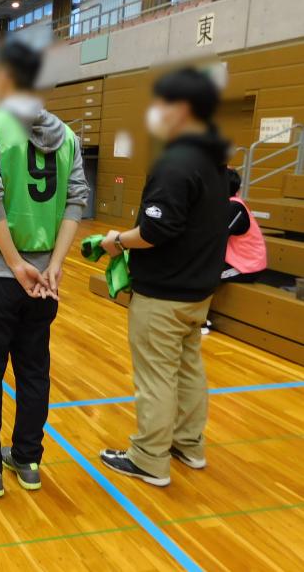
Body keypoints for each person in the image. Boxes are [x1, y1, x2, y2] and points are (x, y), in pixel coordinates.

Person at [0, 41, 89, 498]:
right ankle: (28, 459)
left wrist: (15, 264)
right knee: (34, 370)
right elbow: (77, 200)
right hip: (44, 281)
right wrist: (53, 266)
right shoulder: (69, 137)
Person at [99, 68, 229, 487]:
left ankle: (149, 459)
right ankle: (188, 445)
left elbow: (155, 231)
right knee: (188, 368)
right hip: (197, 292)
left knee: (156, 376)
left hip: (165, 295)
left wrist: (117, 240)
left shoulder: (176, 164)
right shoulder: (214, 160)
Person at [223, 168, 267, 284]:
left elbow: (214, 237)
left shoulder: (234, 207)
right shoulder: (226, 204)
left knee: (201, 274)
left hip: (246, 267)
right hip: (233, 261)